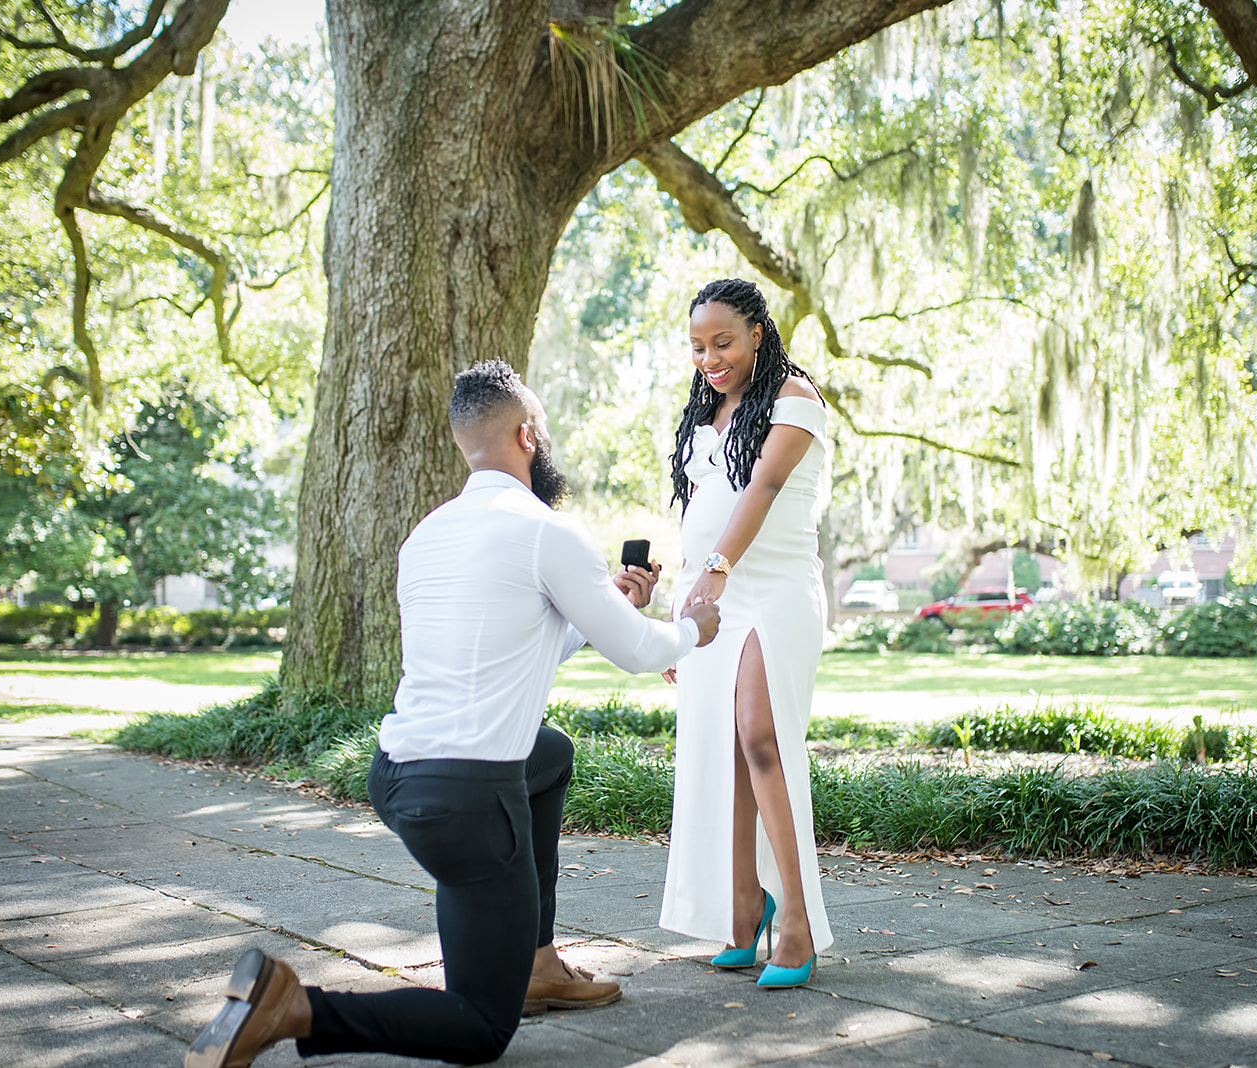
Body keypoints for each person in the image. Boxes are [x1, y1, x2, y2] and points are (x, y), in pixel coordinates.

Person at [186, 360, 720, 1068]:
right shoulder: (546, 531)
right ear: (528, 435)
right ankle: (296, 1007)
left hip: (399, 776)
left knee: (549, 753)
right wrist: (693, 630)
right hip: (465, 801)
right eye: (545, 431)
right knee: (479, 1030)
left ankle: (535, 961)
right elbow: (640, 653)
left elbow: (515, 647)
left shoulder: (428, 535)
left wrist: (607, 610)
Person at [658, 278, 834, 990]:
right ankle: (742, 905)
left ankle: (795, 920)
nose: (710, 358)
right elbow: (699, 517)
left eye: (723, 342)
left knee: (760, 736)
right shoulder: (708, 413)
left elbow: (760, 489)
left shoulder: (795, 401)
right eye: (698, 347)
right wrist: (685, 608)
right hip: (713, 594)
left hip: (774, 592)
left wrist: (718, 570)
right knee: (721, 753)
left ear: (759, 330)